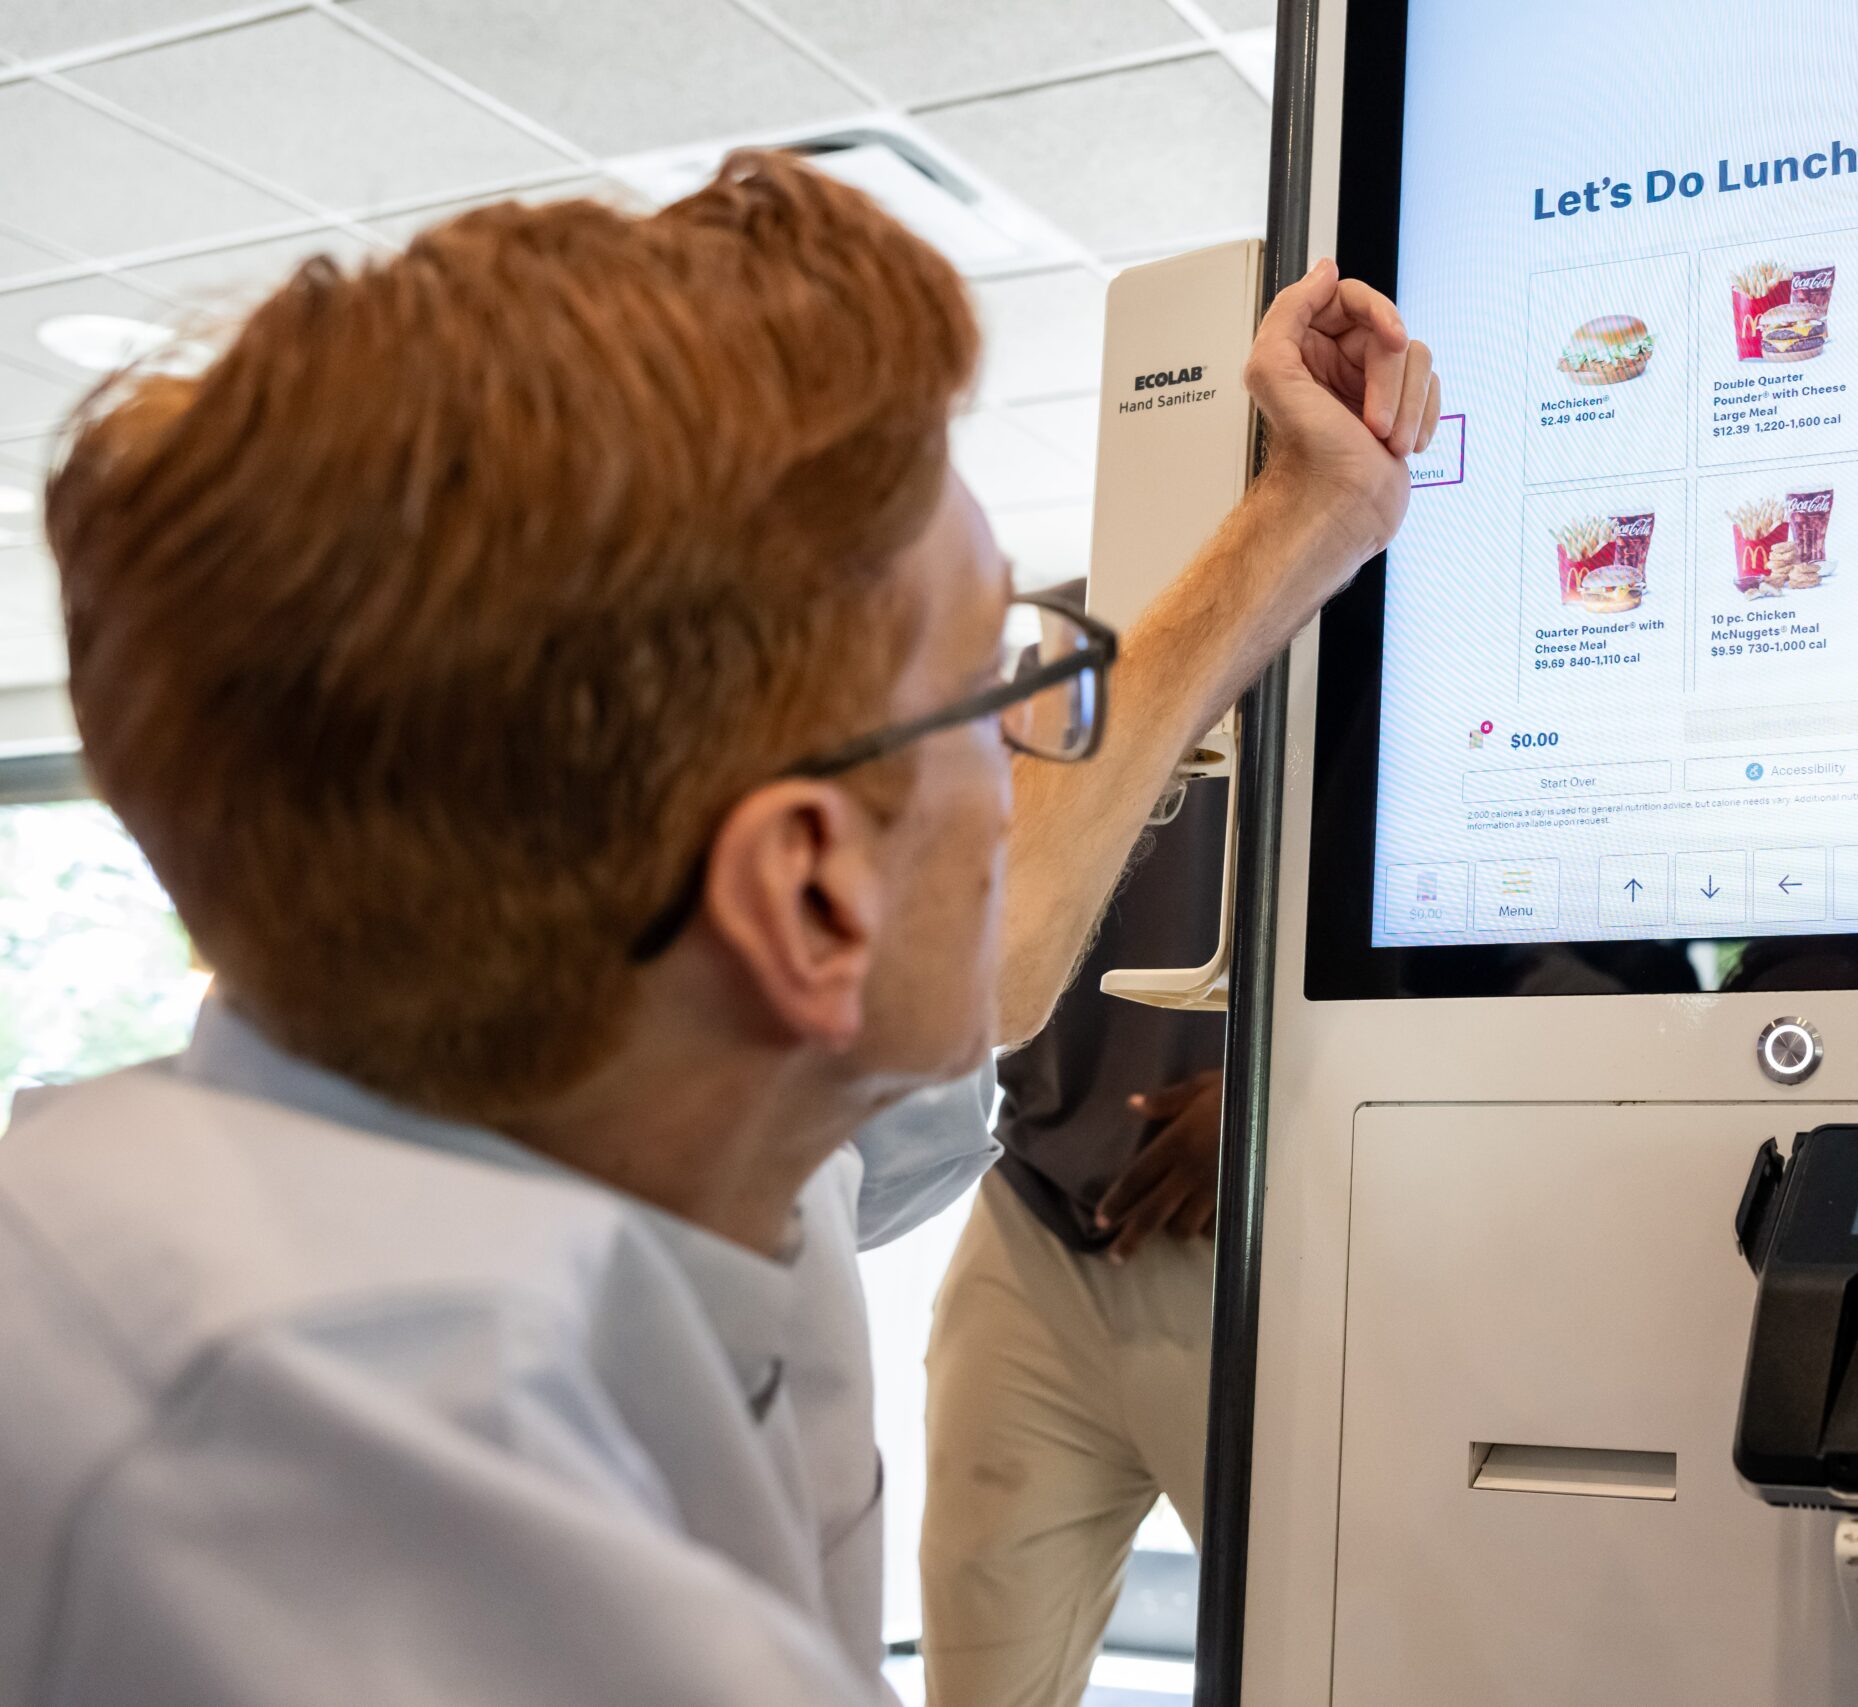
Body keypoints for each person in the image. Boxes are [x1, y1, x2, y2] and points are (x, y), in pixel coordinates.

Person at [0, 151, 1434, 1705]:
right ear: (809, 896)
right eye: (1000, 688)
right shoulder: (436, 1571)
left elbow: (1002, 949)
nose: (1039, 750)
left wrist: (1312, 513)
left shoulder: (614, 1079)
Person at [921, 676, 1227, 1703]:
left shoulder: (1388, 636)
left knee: (1306, 1653)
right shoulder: (1060, 654)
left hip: (1265, 1256)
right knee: (978, 1674)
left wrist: (1286, 1091)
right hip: (1036, 1217)